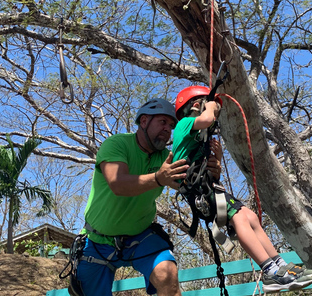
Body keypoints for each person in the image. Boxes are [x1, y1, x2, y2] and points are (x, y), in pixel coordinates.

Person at [172, 86, 312, 293]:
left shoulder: (200, 139)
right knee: (240, 218)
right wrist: (212, 108)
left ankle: (279, 265)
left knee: (250, 217)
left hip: (207, 188)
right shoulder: (184, 124)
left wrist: (218, 159)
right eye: (211, 110)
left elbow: (211, 172)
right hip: (200, 192)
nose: (215, 117)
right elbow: (206, 120)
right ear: (196, 106)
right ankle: (269, 271)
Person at [73, 98, 223, 296]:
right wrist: (158, 178)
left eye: (171, 126)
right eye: (162, 122)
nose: (168, 130)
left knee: (167, 277)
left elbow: (191, 186)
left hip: (141, 236)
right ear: (143, 121)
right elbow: (118, 184)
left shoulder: (166, 158)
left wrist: (214, 170)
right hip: (97, 240)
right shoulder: (116, 144)